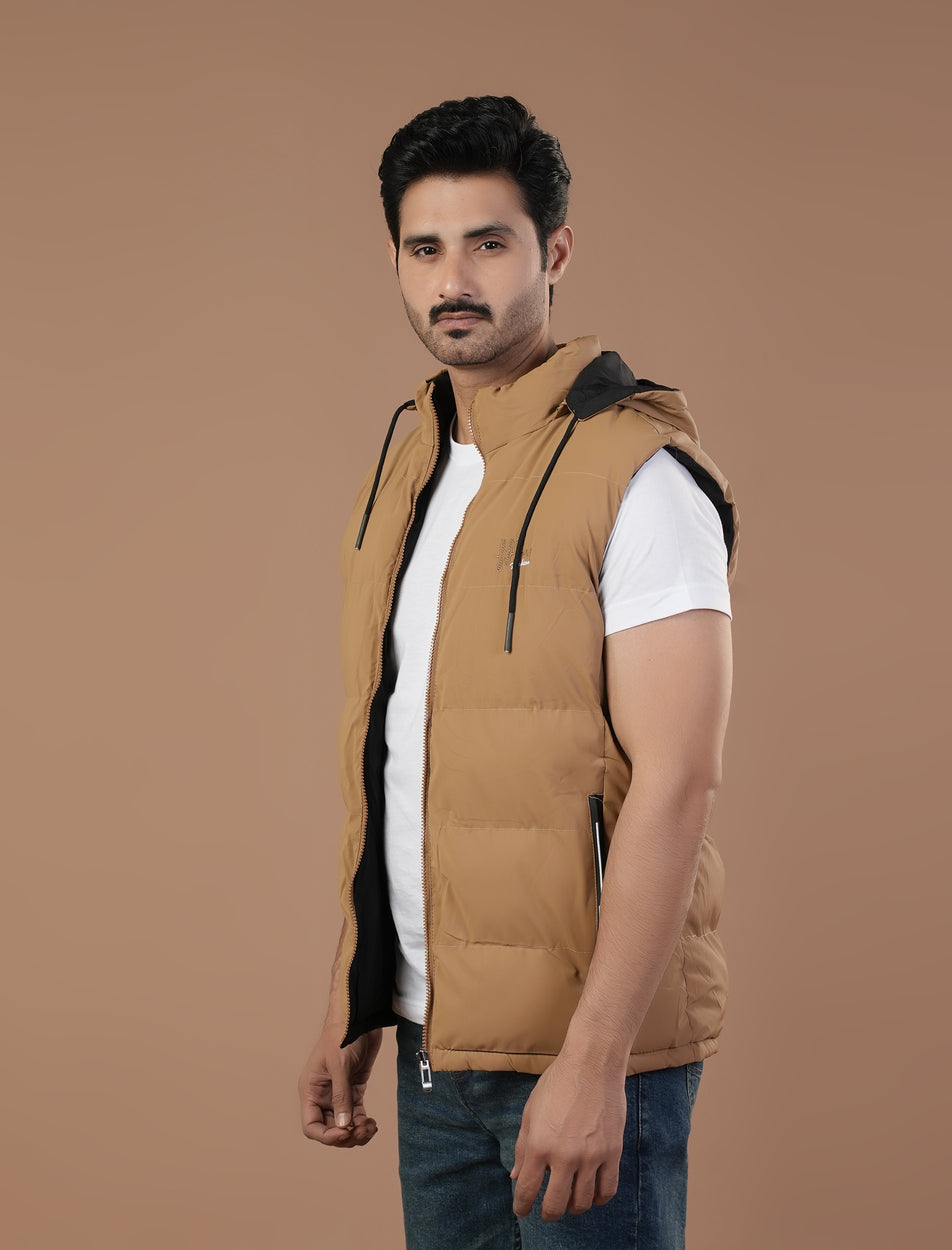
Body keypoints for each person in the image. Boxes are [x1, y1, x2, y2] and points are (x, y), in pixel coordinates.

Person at [298, 94, 740, 1249]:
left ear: (554, 252)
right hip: (434, 1045)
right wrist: (359, 993)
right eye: (424, 248)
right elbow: (399, 756)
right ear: (394, 260)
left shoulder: (639, 474)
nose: (454, 279)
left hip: (588, 1054)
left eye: (488, 243)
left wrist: (596, 1059)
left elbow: (678, 780)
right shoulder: (410, 467)